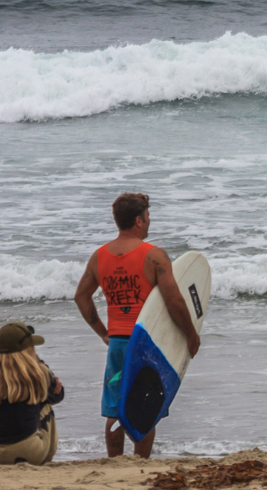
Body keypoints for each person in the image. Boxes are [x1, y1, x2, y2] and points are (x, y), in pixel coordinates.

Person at [74, 192, 201, 458]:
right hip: (146, 343)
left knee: (114, 408)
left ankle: (114, 463)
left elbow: (81, 297)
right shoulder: (154, 256)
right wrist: (191, 334)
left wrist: (104, 333)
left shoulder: (99, 257)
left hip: (118, 344)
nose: (149, 220)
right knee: (146, 406)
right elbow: (174, 300)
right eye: (147, 216)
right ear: (138, 221)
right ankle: (140, 463)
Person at [0, 323, 64, 465]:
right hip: (25, 453)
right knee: (46, 405)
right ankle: (46, 458)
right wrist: (42, 365)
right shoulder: (38, 372)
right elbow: (58, 395)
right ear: (28, 348)